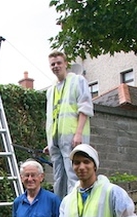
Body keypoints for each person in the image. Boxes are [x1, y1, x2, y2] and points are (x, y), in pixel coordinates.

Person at [44, 50, 94, 198]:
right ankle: (61, 213)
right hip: (57, 142)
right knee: (59, 178)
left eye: (59, 63)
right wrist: (51, 142)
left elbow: (84, 107)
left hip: (73, 138)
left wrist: (78, 133)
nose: (56, 66)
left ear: (66, 64)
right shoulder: (51, 90)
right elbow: (54, 116)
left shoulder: (77, 81)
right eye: (53, 64)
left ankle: (77, 210)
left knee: (74, 176)